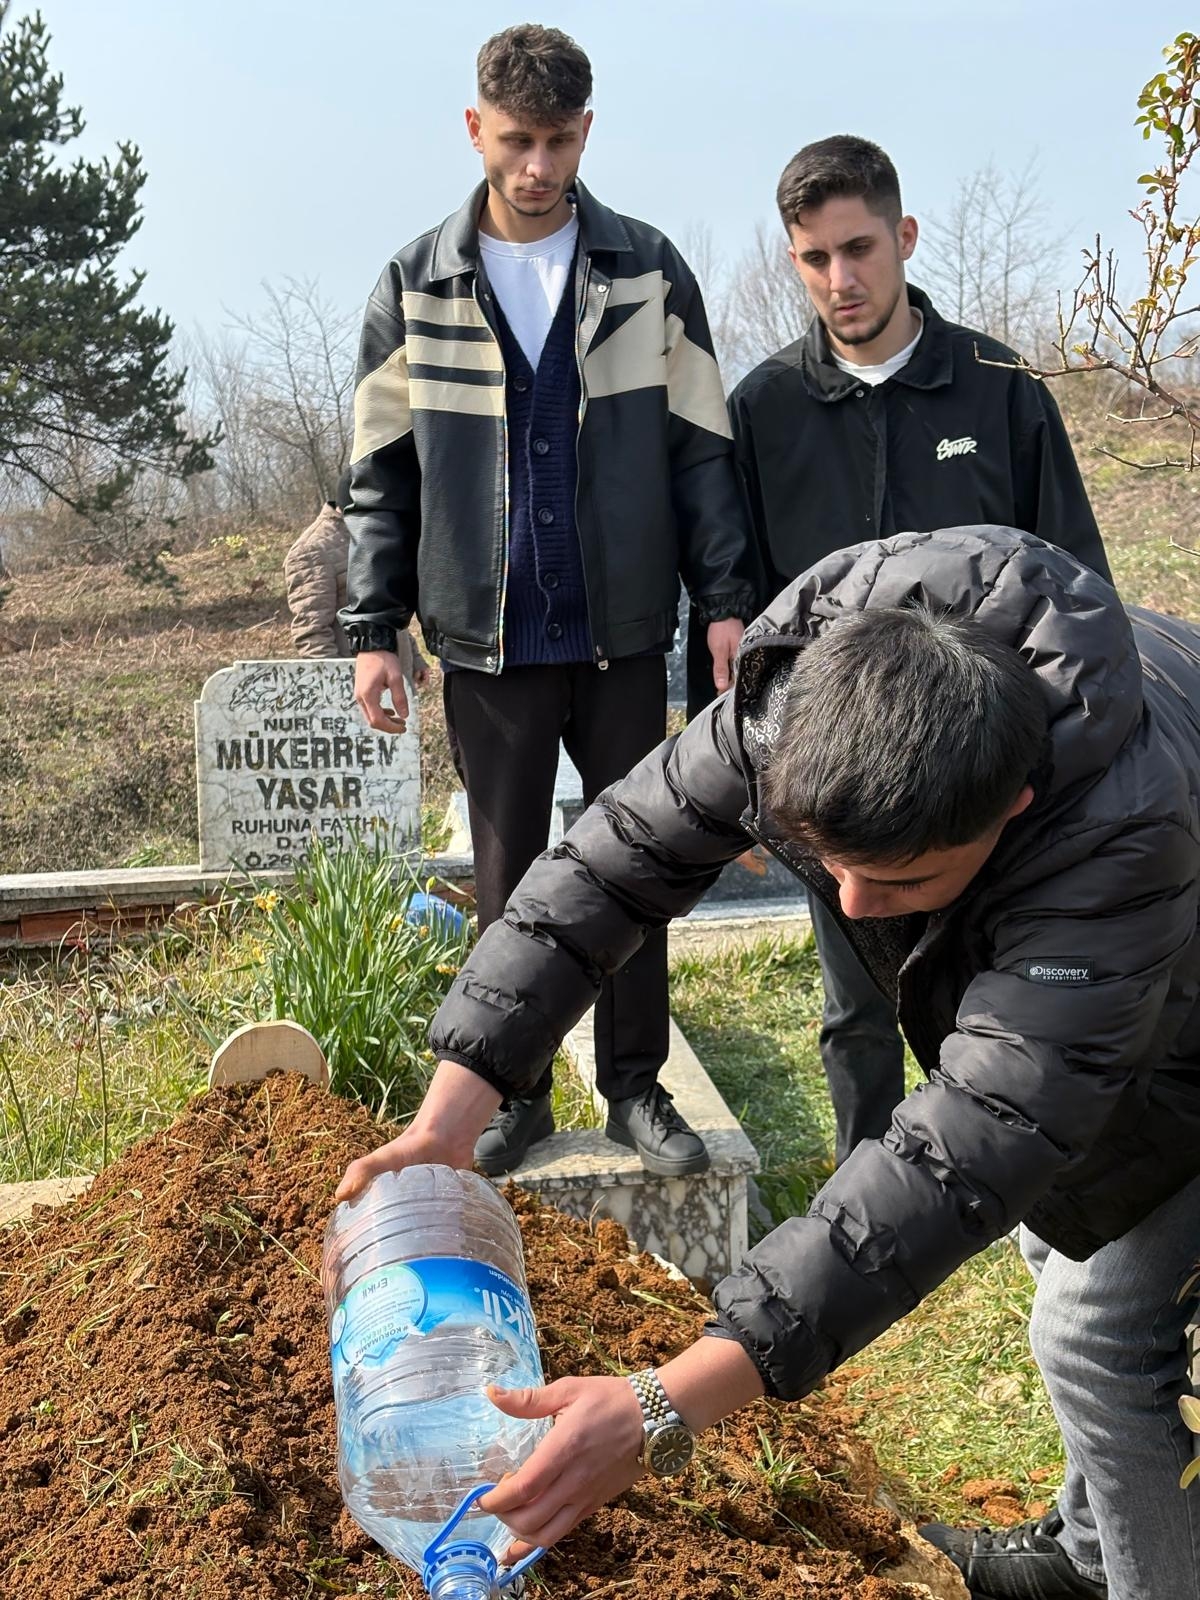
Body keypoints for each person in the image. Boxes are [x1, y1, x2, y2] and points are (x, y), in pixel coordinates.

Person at [338, 526, 1200, 1600]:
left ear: (1011, 809)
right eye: (832, 863)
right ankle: (1083, 1554)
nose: (849, 905)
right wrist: (449, 1115)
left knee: (1101, 1335)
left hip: (1184, 1010)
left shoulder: (1120, 842)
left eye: (902, 880)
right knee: (1051, 1235)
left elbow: (968, 1148)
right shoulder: (799, 690)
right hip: (1100, 996)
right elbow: (608, 867)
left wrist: (666, 1401)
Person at [338, 23, 758, 1178]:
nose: (537, 167)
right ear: (474, 128)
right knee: (509, 875)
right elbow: (380, 476)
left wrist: (725, 600)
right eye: (516, 140)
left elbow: (701, 450)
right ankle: (511, 1093)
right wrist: (373, 630)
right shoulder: (414, 283)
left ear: (587, 132)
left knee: (645, 859)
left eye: (559, 141)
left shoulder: (648, 270)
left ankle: (636, 1088)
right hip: (486, 638)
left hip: (625, 632)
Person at [704, 135, 1113, 1169]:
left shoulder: (997, 387)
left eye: (859, 249)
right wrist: (744, 774)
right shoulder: (763, 410)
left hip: (984, 755)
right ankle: (865, 1182)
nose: (840, 280)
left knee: (990, 983)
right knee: (854, 1004)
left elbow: (1075, 574)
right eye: (813, 258)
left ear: (905, 237)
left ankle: (990, 1172)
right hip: (832, 765)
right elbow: (733, 609)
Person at [284, 471, 429, 685]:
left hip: (396, 677)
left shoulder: (378, 538)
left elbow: (387, 610)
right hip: (357, 685)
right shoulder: (312, 551)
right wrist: (339, 688)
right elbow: (312, 633)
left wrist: (415, 659)